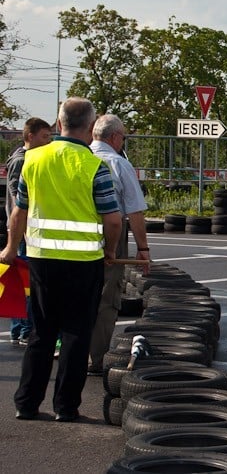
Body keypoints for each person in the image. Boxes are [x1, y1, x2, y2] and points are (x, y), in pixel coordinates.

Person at [0, 97, 122, 422]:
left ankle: (26, 403)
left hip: (41, 260)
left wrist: (11, 249)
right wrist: (110, 251)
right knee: (75, 334)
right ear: (90, 126)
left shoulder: (34, 160)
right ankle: (65, 407)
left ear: (58, 123)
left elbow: (18, 213)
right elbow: (113, 220)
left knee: (41, 332)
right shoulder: (95, 165)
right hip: (84, 263)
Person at [87, 114, 150, 375]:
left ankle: (67, 348)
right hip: (108, 233)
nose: (123, 141)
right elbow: (134, 211)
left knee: (75, 295)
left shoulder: (80, 157)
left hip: (72, 239)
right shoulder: (118, 163)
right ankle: (96, 358)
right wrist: (143, 249)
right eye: (123, 137)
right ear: (114, 137)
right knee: (106, 297)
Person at [5, 118, 53, 346]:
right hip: (23, 229)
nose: (49, 141)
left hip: (27, 227)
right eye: (45, 136)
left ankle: (21, 328)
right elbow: (17, 195)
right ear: (30, 136)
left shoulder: (33, 158)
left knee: (25, 281)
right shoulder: (22, 160)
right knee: (25, 282)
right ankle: (23, 329)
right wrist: (20, 225)